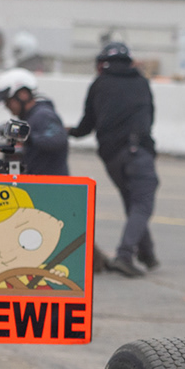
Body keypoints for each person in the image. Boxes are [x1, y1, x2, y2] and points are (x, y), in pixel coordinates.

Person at [68, 42, 159, 277]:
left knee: (133, 202)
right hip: (137, 151)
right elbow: (150, 117)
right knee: (142, 203)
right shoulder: (141, 82)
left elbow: (86, 125)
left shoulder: (99, 84)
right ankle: (125, 255)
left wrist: (69, 131)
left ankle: (147, 254)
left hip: (112, 157)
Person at [0, 69, 70, 176]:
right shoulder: (30, 118)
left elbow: (58, 140)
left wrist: (23, 134)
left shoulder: (43, 115)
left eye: (8, 101)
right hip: (37, 182)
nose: (7, 106)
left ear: (23, 94)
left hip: (50, 184)